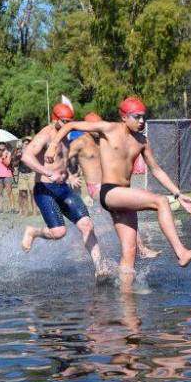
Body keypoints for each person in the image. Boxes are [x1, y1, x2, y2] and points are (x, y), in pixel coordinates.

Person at [46, 97, 191, 282]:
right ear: (124, 117)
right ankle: (181, 251)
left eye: (143, 117)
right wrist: (53, 145)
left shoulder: (142, 141)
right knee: (160, 201)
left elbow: (156, 169)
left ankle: (126, 299)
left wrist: (179, 194)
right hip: (110, 192)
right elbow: (70, 125)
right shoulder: (108, 128)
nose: (141, 121)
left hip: (124, 197)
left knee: (130, 253)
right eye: (136, 117)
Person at [20, 103, 105, 277]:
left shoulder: (65, 135)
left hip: (63, 187)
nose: (67, 125)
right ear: (54, 119)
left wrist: (70, 175)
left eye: (69, 122)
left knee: (87, 224)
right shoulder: (45, 134)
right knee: (59, 232)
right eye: (64, 121)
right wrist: (47, 172)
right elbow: (26, 157)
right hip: (45, 188)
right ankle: (33, 231)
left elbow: (63, 161)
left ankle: (100, 267)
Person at [68, 112, 159, 259]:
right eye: (94, 127)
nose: (98, 130)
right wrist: (69, 175)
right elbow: (61, 157)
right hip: (96, 188)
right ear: (87, 128)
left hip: (111, 186)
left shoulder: (106, 139)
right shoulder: (80, 142)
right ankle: (140, 249)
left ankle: (128, 249)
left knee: (124, 215)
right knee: (125, 209)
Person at [0, 142, 15, 213]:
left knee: (9, 192)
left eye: (3, 144)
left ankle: (12, 208)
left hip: (7, 175)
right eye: (0, 144)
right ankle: (0, 208)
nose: (1, 145)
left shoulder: (8, 153)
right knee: (0, 192)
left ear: (5, 145)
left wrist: (2, 157)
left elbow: (7, 163)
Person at [16, 137, 36, 216]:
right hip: (22, 174)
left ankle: (34, 211)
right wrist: (18, 156)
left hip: (31, 173)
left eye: (28, 144)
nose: (27, 145)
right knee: (23, 193)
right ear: (22, 145)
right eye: (25, 144)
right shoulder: (19, 151)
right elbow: (14, 163)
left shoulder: (33, 151)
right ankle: (26, 211)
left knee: (33, 193)